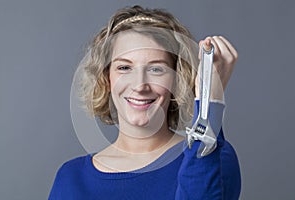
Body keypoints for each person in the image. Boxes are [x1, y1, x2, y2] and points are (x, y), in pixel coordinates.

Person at [49, 5, 241, 200]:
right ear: (106, 78)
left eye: (156, 69)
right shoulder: (71, 177)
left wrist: (209, 105)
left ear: (176, 79)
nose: (140, 85)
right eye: (124, 68)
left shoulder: (213, 158)